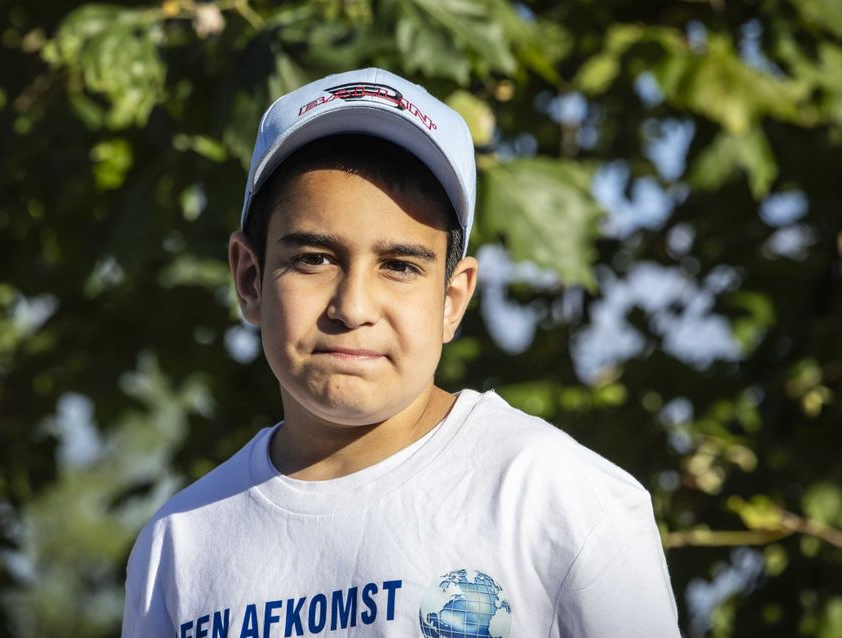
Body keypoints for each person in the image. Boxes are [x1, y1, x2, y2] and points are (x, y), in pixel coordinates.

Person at [121, 67, 681, 638]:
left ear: (452, 299)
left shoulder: (553, 496)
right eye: (314, 258)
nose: (353, 305)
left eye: (400, 266)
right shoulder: (181, 542)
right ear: (250, 278)